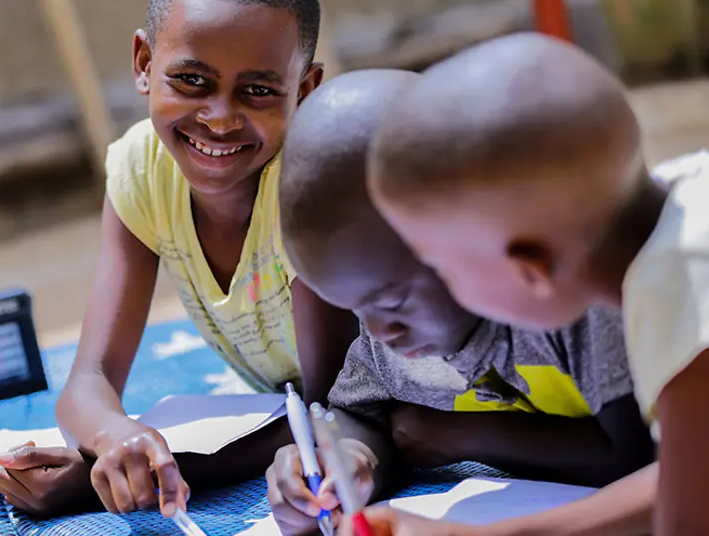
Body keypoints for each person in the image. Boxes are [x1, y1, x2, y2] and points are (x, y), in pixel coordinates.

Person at [0, 0, 359, 518]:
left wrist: (124, 478)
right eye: (191, 80)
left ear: (305, 92)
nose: (219, 116)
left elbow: (338, 412)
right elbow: (89, 378)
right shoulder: (143, 168)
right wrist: (116, 438)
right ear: (143, 64)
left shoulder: (308, 191)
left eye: (259, 90)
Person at [265, 69, 653, 535]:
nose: (378, 331)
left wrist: (455, 434)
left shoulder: (571, 293)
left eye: (392, 299)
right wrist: (350, 460)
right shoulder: (389, 322)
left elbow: (638, 457)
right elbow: (358, 414)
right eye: (353, 308)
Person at [355, 32, 709, 535]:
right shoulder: (685, 203)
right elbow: (685, 477)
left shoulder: (680, 296)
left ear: (529, 270)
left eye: (444, 268)